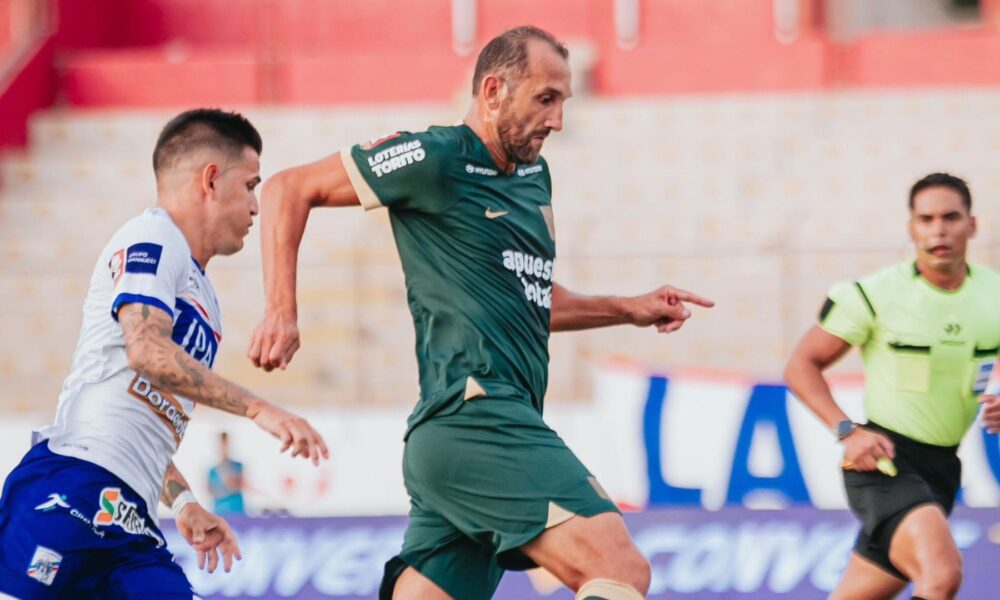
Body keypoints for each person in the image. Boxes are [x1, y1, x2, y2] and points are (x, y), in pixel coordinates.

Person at [248, 26, 713, 600]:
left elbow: (531, 302)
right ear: (493, 90)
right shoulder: (436, 157)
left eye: (563, 102)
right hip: (477, 415)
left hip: (464, 436)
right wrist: (280, 310)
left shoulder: (533, 179)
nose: (558, 121)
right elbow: (287, 189)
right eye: (546, 99)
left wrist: (628, 308)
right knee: (619, 569)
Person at [0, 108, 329, 598]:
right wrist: (258, 408)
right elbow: (147, 353)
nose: (256, 207)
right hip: (72, 487)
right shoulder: (153, 237)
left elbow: (145, 419)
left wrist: (184, 504)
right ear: (211, 180)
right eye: (251, 185)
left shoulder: (205, 299)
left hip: (129, 514)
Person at [784, 172, 1000, 600]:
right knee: (941, 576)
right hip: (884, 461)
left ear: (972, 225)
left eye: (951, 217)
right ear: (911, 228)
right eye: (926, 219)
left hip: (942, 469)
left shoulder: (994, 295)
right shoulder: (875, 294)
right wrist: (848, 431)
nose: (938, 230)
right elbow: (800, 365)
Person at [207, 432, 246, 516]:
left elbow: (238, 485)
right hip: (219, 512)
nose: (223, 447)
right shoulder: (212, 471)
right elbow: (209, 490)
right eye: (221, 444)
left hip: (237, 512)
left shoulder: (238, 466)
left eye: (225, 444)